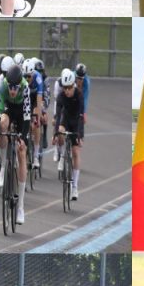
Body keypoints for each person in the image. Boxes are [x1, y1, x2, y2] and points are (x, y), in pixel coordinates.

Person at [0, 60, 31, 225]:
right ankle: (3, 167)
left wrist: (22, 137)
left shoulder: (25, 88)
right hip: (9, 109)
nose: (13, 90)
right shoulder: (3, 86)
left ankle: (21, 205)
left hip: (22, 114)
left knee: (21, 152)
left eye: (16, 88)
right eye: (11, 87)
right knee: (2, 124)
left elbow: (28, 119)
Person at [53, 68, 85, 200]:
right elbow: (59, 114)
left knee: (76, 152)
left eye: (69, 87)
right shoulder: (61, 96)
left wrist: (78, 135)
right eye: (65, 88)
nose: (67, 91)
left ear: (74, 86)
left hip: (76, 121)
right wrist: (55, 134)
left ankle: (75, 187)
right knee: (60, 131)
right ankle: (61, 156)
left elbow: (80, 117)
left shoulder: (79, 95)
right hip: (65, 119)